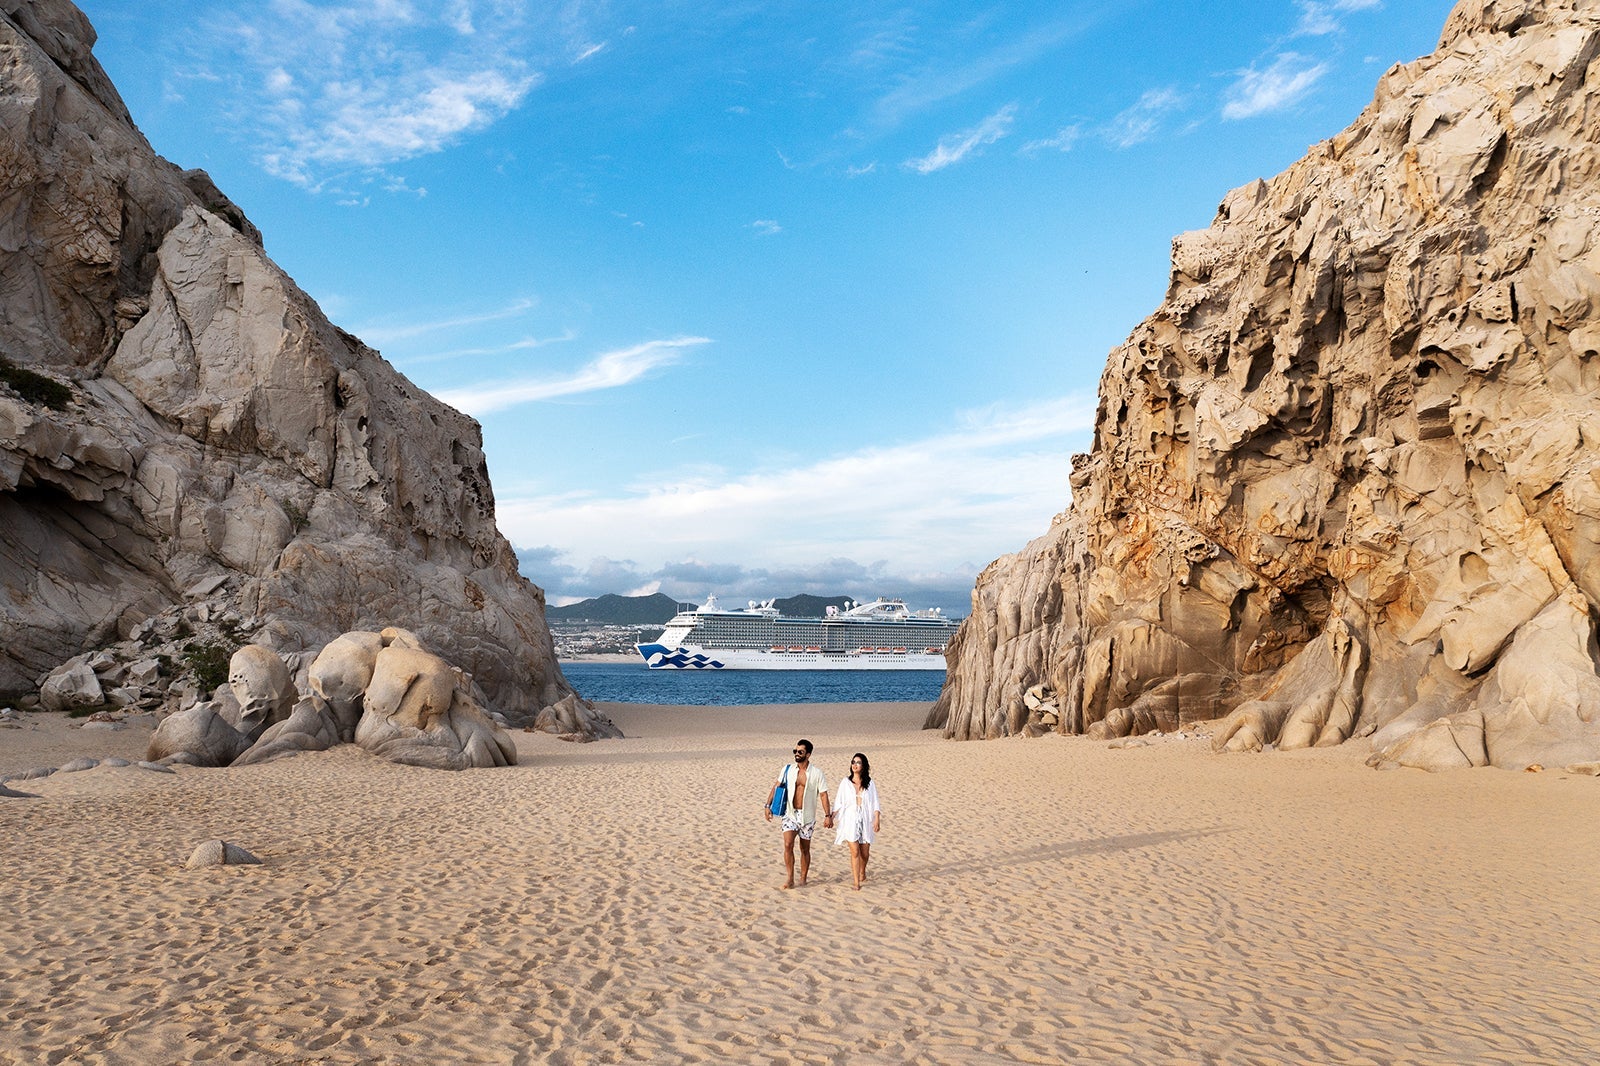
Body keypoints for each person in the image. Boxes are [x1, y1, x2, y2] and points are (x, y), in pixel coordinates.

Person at [763, 738, 832, 889]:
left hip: (807, 816)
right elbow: (776, 786)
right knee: (788, 844)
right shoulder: (788, 769)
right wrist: (767, 805)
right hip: (790, 813)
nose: (796, 754)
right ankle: (790, 878)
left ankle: (803, 878)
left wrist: (828, 816)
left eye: (800, 752)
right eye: (795, 751)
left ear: (808, 755)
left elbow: (823, 795)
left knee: (804, 848)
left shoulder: (817, 773)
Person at [833, 751, 881, 890]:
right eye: (853, 762)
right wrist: (831, 816)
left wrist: (877, 819)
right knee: (855, 852)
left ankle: (862, 872)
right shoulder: (845, 782)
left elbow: (875, 802)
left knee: (864, 853)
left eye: (858, 762)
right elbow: (839, 802)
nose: (855, 765)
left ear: (863, 766)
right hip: (850, 820)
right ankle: (856, 882)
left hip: (865, 820)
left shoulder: (870, 783)